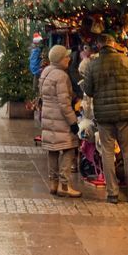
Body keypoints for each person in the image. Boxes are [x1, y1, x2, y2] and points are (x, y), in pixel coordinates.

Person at [84, 33, 128, 204]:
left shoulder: (93, 65)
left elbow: (88, 90)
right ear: (113, 44)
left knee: (107, 152)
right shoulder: (127, 61)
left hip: (104, 115)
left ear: (99, 46)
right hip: (125, 114)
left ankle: (112, 193)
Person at [39, 45, 82, 198]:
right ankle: (64, 185)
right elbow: (64, 103)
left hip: (48, 118)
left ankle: (53, 183)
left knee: (52, 150)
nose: (69, 59)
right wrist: (73, 122)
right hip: (60, 119)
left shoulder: (45, 72)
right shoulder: (61, 76)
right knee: (69, 148)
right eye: (66, 57)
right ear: (59, 59)